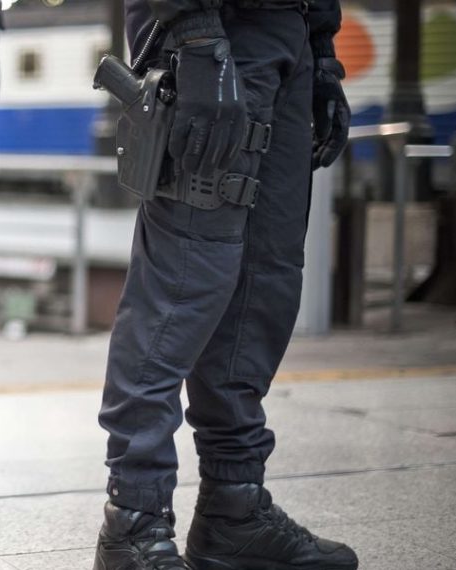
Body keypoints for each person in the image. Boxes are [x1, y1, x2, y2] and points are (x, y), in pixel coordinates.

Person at [93, 1, 356, 569]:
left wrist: (321, 51)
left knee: (265, 280)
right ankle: (134, 522)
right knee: (182, 283)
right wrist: (191, 30)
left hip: (287, 35)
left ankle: (233, 508)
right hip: (211, 32)